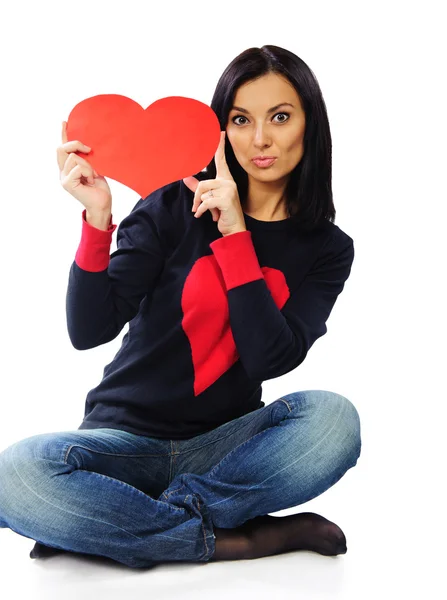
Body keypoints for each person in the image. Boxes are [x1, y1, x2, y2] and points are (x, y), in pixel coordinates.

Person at [0, 45, 361, 569]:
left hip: (225, 447)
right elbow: (89, 328)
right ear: (220, 128)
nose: (259, 139)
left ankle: (114, 527)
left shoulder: (328, 249)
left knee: (334, 422)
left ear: (310, 124)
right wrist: (99, 218)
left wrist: (236, 233)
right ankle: (239, 538)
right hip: (121, 443)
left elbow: (269, 358)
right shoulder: (173, 203)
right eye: (240, 119)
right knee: (16, 472)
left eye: (279, 117)